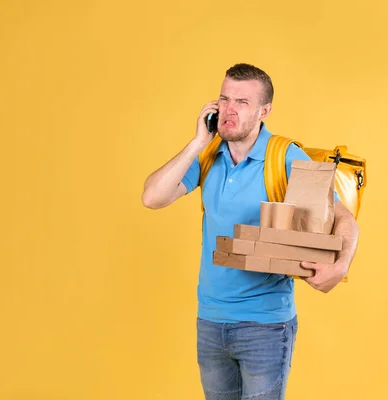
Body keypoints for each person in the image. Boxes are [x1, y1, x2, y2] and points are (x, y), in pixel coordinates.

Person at [142, 63, 359, 400]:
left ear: (264, 111)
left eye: (242, 102)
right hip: (211, 321)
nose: (229, 109)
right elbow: (152, 197)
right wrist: (197, 142)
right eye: (224, 99)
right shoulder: (208, 156)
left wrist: (341, 265)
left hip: (265, 326)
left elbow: (345, 219)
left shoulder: (284, 156)